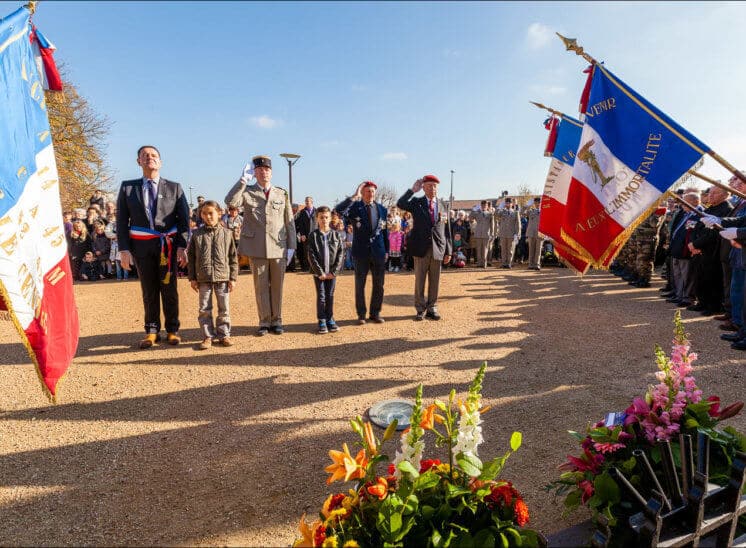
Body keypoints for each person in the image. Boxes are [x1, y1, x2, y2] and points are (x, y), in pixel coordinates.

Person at [116, 145, 190, 349]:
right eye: (145, 156)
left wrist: (183, 247)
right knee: (148, 289)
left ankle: (173, 329)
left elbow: (184, 220)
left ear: (160, 162)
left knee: (169, 288)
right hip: (141, 246)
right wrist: (123, 250)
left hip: (168, 246)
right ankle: (151, 330)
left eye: (154, 155)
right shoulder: (127, 187)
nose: (150, 158)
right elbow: (121, 221)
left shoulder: (175, 187)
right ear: (138, 161)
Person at [225, 155, 296, 335]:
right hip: (256, 247)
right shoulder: (247, 191)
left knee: (278, 286)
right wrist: (242, 181)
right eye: (259, 170)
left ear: (271, 172)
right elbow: (231, 202)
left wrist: (291, 246)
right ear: (254, 173)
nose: (263, 172)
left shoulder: (281, 193)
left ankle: (277, 320)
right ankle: (264, 321)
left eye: (267, 169)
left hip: (278, 246)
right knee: (261, 286)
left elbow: (289, 221)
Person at [396, 175, 452, 320]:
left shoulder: (443, 205)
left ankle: (432, 307)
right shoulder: (417, 202)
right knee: (420, 280)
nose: (432, 189)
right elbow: (400, 203)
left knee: (435, 280)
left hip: (438, 248)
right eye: (429, 186)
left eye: (435, 186)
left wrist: (449, 251)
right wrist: (412, 190)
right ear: (423, 188)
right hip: (421, 248)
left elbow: (447, 230)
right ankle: (420, 308)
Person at [335, 181, 389, 324]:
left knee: (379, 285)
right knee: (360, 284)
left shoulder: (382, 209)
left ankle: (375, 313)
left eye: (372, 191)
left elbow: (385, 232)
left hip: (378, 251)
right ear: (363, 193)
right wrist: (354, 195)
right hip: (361, 252)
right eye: (367, 191)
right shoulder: (355, 208)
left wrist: (387, 250)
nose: (370, 194)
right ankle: (361, 314)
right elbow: (338, 210)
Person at [188, 200, 238, 350]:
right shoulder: (196, 235)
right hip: (203, 278)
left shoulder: (227, 234)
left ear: (219, 213)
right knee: (204, 309)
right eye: (204, 213)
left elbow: (233, 258)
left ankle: (224, 334)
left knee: (224, 308)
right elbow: (191, 258)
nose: (208, 216)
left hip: (222, 277)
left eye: (211, 213)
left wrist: (233, 278)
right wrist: (192, 278)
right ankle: (208, 336)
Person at [306, 206, 345, 334]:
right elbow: (311, 255)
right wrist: (320, 272)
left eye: (326, 217)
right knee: (322, 296)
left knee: (330, 295)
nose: (324, 220)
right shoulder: (313, 235)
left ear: (330, 219)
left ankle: (330, 318)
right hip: (320, 274)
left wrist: (334, 272)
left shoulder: (336, 235)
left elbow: (340, 254)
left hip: (332, 273)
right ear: (317, 219)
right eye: (321, 217)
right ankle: (322, 319)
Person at [496, 198, 521, 268]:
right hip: (503, 234)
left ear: (512, 204)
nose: (508, 204)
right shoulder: (502, 212)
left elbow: (518, 224)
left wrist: (517, 234)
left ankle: (509, 263)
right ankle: (504, 263)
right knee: (503, 249)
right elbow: (496, 215)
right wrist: (499, 207)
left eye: (509, 203)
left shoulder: (515, 212)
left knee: (510, 250)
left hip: (511, 234)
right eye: (506, 203)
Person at [294, 196, 316, 272]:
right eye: (306, 201)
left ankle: (315, 267)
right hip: (305, 236)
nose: (306, 202)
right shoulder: (302, 212)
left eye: (308, 201)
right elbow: (301, 224)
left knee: (315, 251)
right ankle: (307, 267)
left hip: (315, 235)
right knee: (306, 252)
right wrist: (302, 234)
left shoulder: (317, 211)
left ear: (312, 202)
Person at [470, 201, 494, 268]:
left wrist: (492, 234)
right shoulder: (477, 213)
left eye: (485, 205)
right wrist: (473, 210)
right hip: (478, 234)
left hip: (486, 234)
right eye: (483, 205)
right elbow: (470, 218)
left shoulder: (490, 214)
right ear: (481, 206)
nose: (484, 207)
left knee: (485, 249)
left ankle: (484, 263)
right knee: (479, 249)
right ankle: (479, 263)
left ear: (487, 206)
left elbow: (492, 225)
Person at [525, 197, 544, 270]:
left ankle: (537, 264)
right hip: (531, 232)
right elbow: (522, 212)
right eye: (536, 203)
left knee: (538, 250)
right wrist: (527, 205)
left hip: (540, 233)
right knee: (531, 249)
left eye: (539, 203)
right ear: (534, 203)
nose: (537, 204)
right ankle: (531, 264)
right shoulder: (531, 211)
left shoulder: (544, 211)